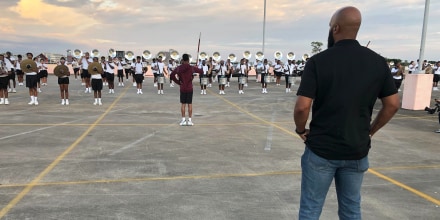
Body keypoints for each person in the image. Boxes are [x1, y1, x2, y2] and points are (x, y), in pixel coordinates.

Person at [294, 6, 399, 220]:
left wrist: (300, 129)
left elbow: (302, 106)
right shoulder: (378, 62)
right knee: (351, 209)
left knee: (310, 209)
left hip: (321, 150)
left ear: (336, 28)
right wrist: (371, 131)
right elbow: (393, 104)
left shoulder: (318, 61)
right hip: (357, 149)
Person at [170, 54, 203, 126]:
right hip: (189, 88)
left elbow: (172, 75)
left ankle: (183, 120)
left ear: (182, 59)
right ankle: (190, 120)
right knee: (190, 104)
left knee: (183, 104)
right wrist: (196, 69)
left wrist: (178, 82)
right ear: (188, 60)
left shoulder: (179, 68)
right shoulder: (191, 68)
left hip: (182, 88)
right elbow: (201, 71)